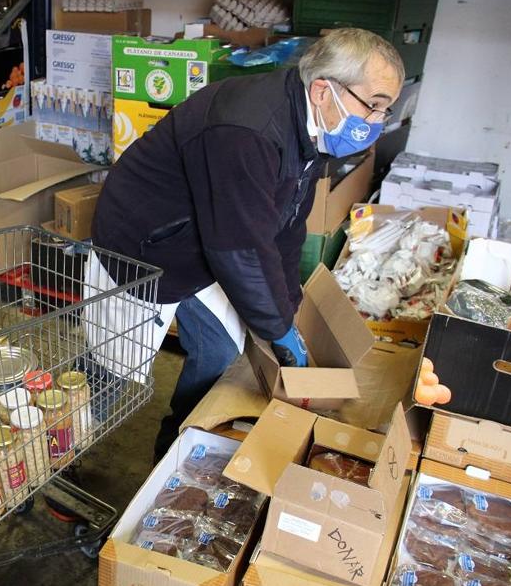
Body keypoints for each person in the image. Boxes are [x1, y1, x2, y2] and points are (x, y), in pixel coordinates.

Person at [91, 28, 405, 461]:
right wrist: (278, 329)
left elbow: (286, 226)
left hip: (203, 240)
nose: (375, 123)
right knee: (111, 371)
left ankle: (179, 448)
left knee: (220, 351)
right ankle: (60, 458)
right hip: (144, 243)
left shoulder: (312, 127)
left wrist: (288, 306)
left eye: (384, 111)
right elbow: (240, 249)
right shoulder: (248, 131)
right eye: (373, 106)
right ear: (322, 90)